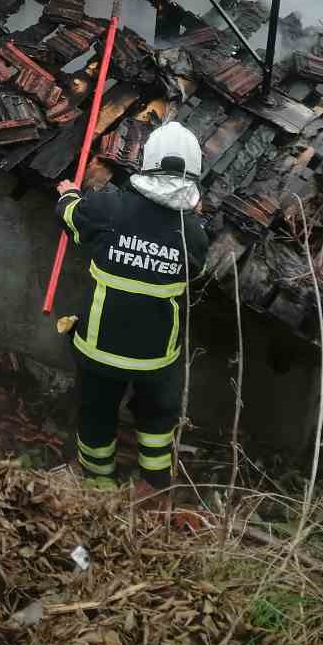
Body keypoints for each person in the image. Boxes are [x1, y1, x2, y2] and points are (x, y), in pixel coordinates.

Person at [54, 119, 209, 504]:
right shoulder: (192, 234)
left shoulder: (109, 208)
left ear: (146, 163)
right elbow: (198, 269)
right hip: (157, 358)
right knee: (157, 419)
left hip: (99, 350)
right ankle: (154, 484)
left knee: (96, 415)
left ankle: (98, 481)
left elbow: (73, 218)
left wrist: (68, 195)